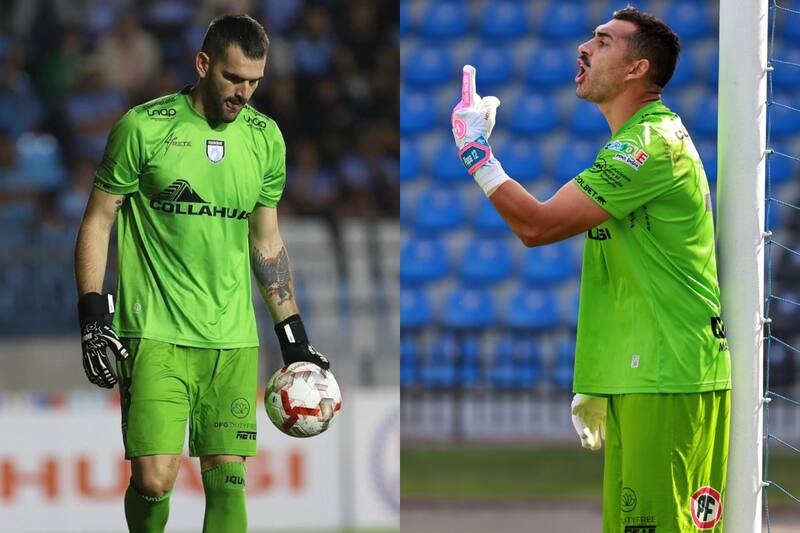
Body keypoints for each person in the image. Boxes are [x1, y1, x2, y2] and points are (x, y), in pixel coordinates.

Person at [451, 7, 730, 533]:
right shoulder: (636, 142)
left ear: (636, 69)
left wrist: (476, 153)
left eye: (603, 41)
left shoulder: (648, 147)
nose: (584, 47)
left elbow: (537, 226)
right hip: (645, 372)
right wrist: (601, 375)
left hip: (667, 374)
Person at [74, 14, 329, 533]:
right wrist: (93, 313)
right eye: (234, 78)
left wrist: (293, 337)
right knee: (154, 479)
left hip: (231, 338)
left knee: (226, 479)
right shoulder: (143, 127)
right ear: (203, 64)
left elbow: (266, 241)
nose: (244, 93)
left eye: (255, 81)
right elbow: (99, 220)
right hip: (154, 332)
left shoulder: (266, 141)